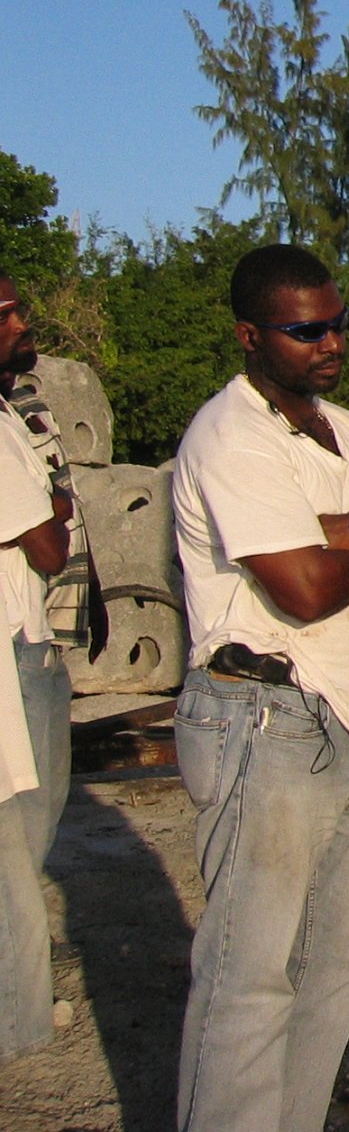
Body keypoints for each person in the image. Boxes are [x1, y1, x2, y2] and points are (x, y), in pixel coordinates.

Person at [171, 243, 349, 1132]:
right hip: (261, 715)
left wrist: (348, 526)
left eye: (338, 323)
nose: (329, 344)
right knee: (249, 978)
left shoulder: (348, 431)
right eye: (305, 330)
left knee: (337, 962)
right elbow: (301, 587)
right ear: (252, 336)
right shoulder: (231, 436)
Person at [0, 273, 71, 1066]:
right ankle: (13, 1013)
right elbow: (49, 541)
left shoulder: (15, 414)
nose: (23, 322)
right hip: (14, 644)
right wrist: (49, 513)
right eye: (6, 313)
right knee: (17, 835)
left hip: (32, 632)